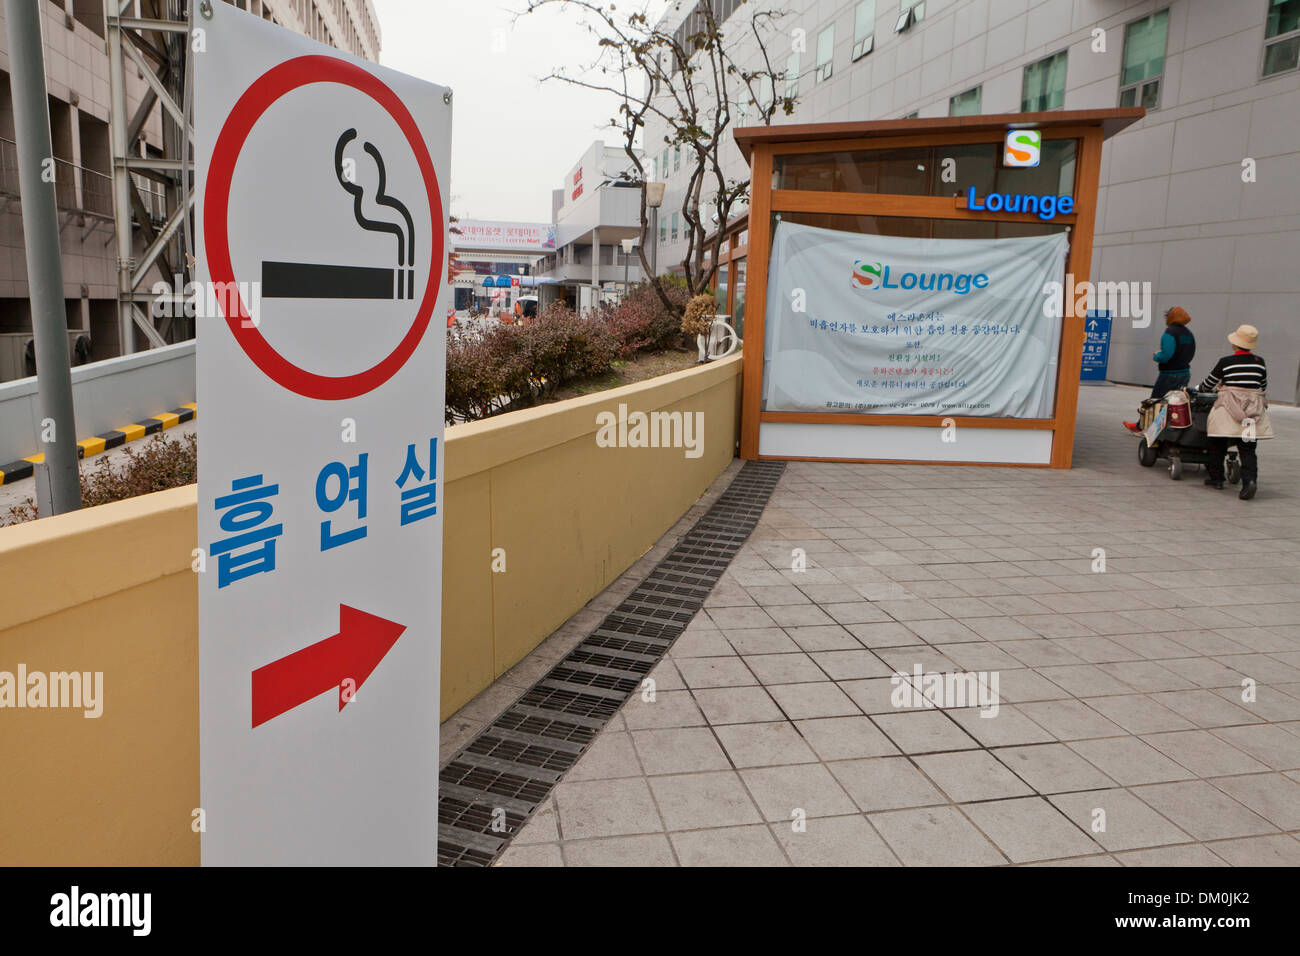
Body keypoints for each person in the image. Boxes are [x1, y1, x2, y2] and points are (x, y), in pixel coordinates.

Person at [1200, 324, 1271, 500]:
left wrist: (1200, 389)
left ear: (1235, 344)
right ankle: (1250, 482)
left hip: (1228, 410)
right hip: (1251, 412)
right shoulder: (1259, 362)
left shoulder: (1226, 362)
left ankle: (1216, 478)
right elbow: (1262, 386)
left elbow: (1208, 385)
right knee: (1247, 448)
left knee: (1217, 442)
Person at [1150, 306, 1195, 397]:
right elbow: (1191, 352)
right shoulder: (1188, 333)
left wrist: (1157, 355)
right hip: (1185, 373)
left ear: (1170, 317)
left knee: (1157, 402)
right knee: (1176, 404)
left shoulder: (1170, 332)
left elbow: (1166, 355)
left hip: (1169, 375)